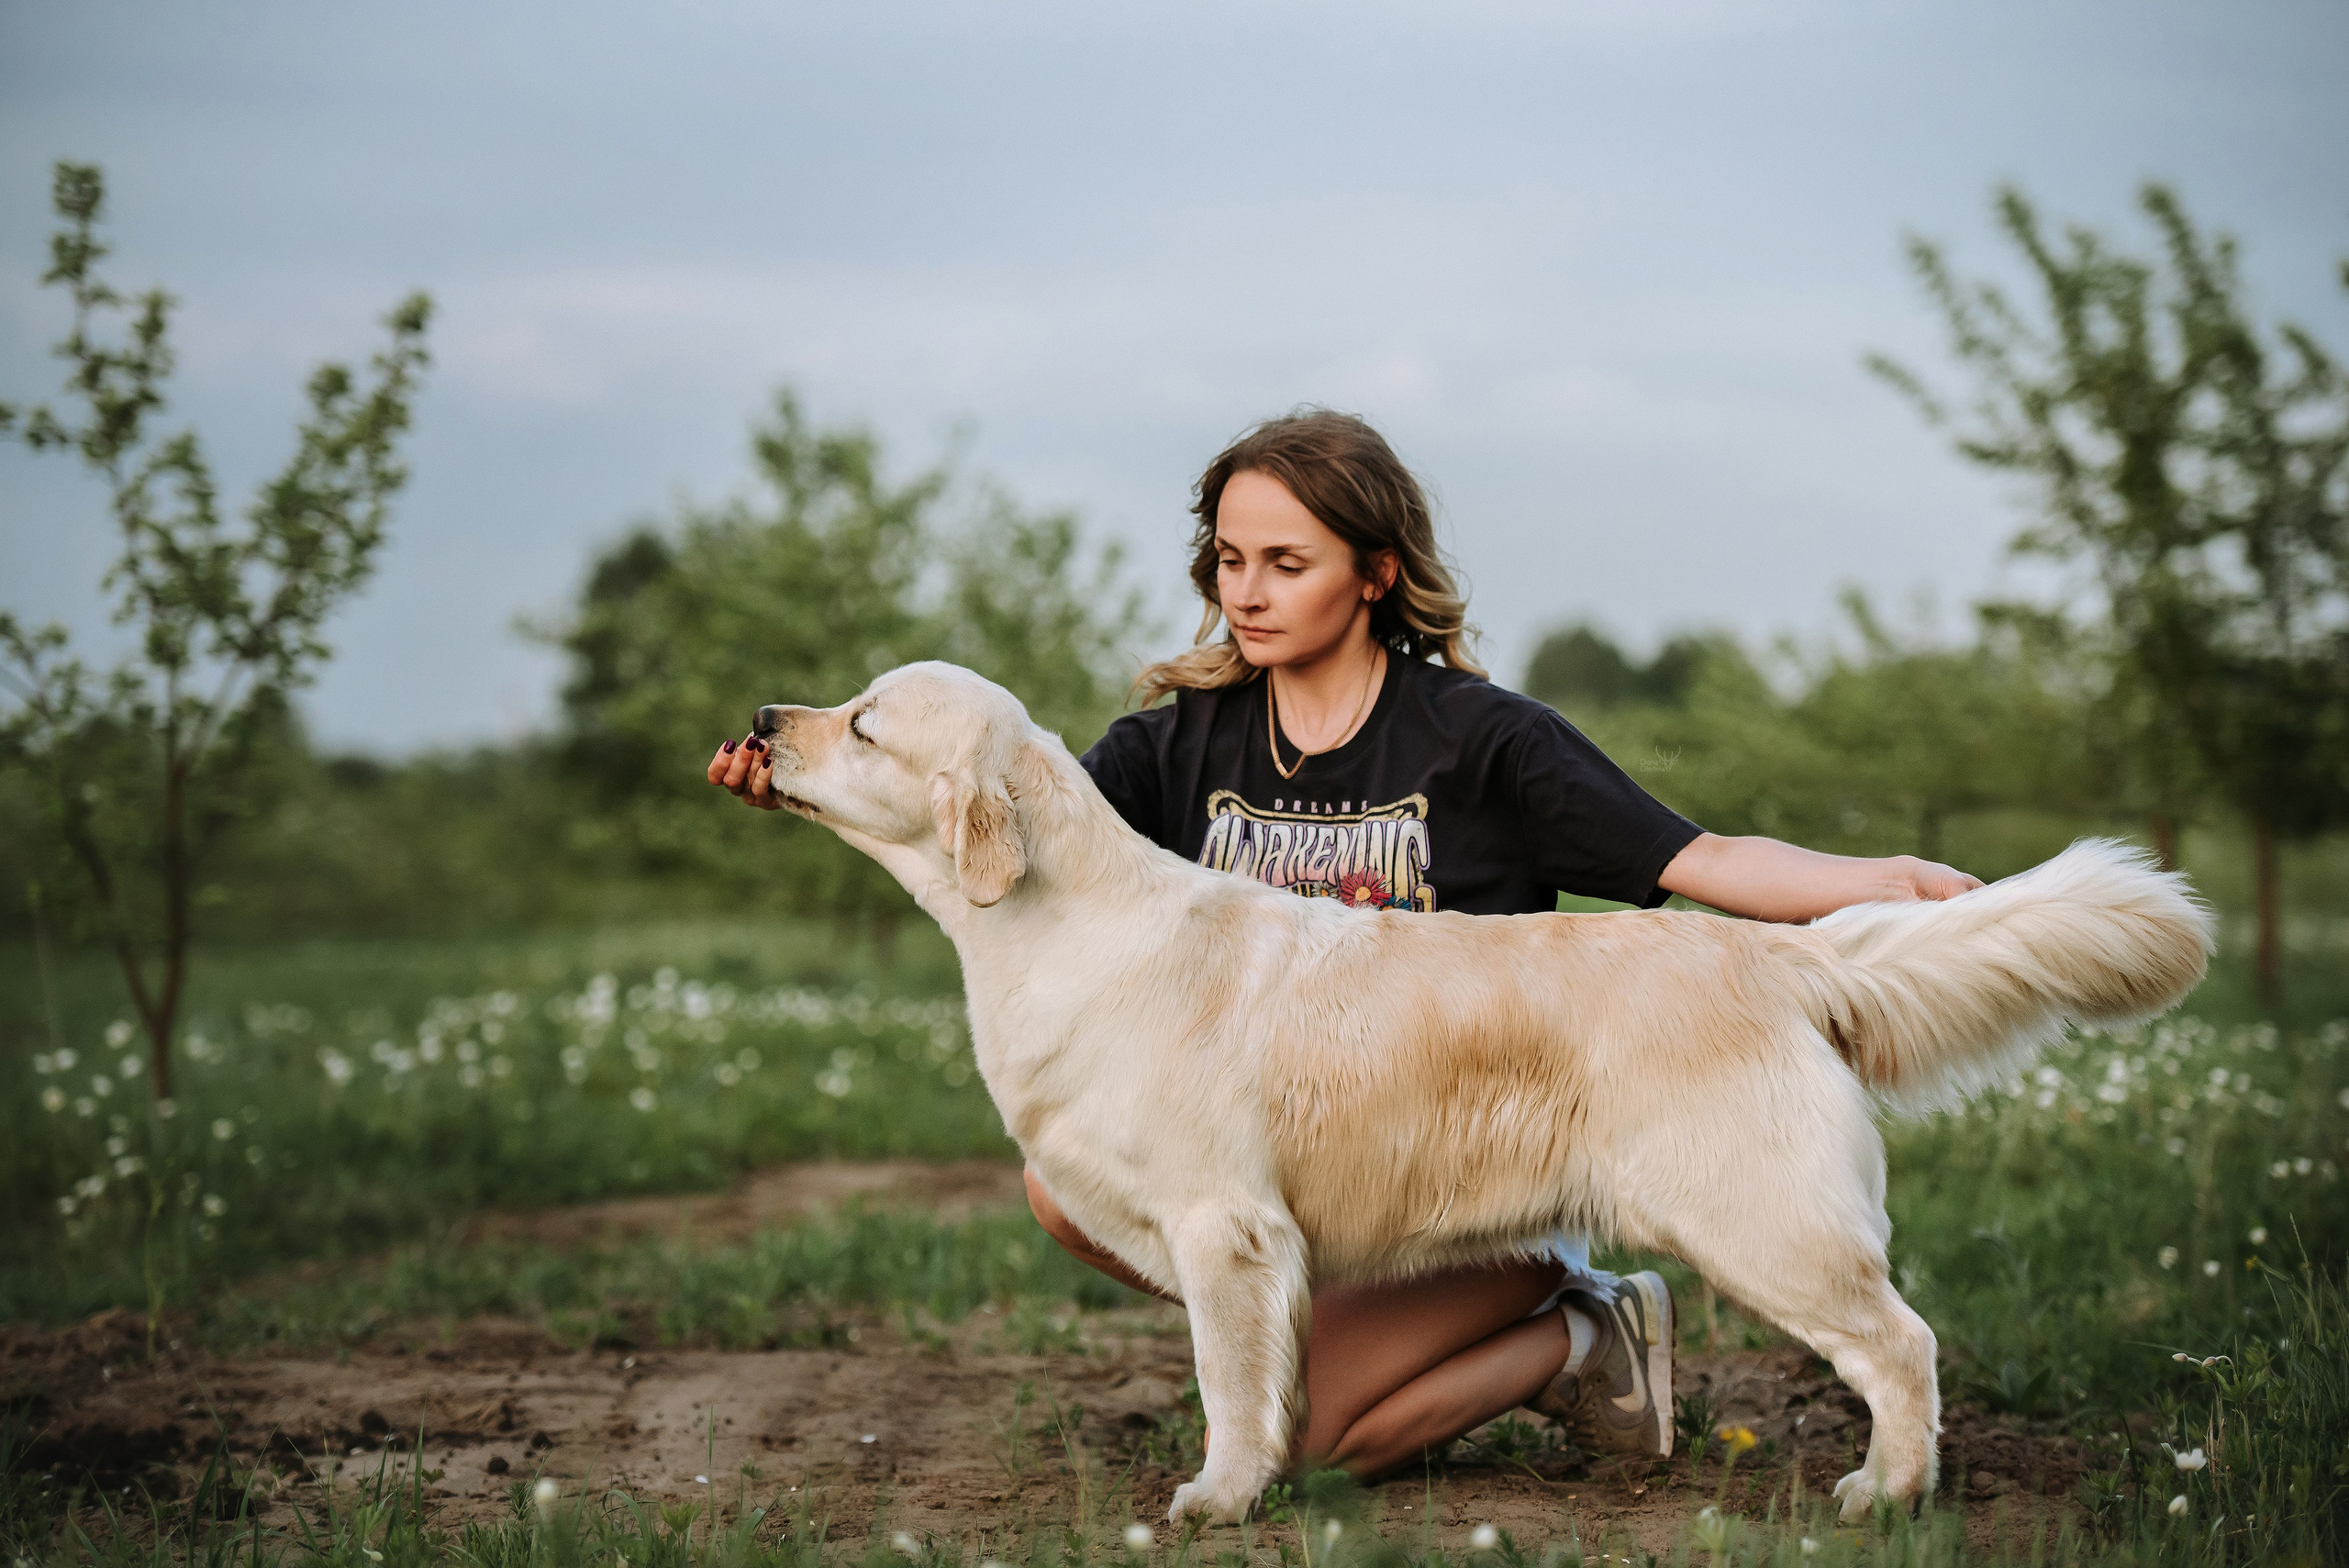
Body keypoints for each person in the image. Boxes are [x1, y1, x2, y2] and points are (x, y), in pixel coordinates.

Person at [707, 408, 1981, 1482]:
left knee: (1308, 1443)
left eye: (1286, 561)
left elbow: (1696, 860)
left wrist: (1883, 887)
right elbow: (1002, 848)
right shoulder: (1174, 744)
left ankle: (1582, 1334)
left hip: (1491, 1182)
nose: (1246, 591)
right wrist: (814, 789)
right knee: (1069, 1185)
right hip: (1313, 1186)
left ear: (1374, 573)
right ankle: (1344, 1331)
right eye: (1228, 560)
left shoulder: (1483, 738)